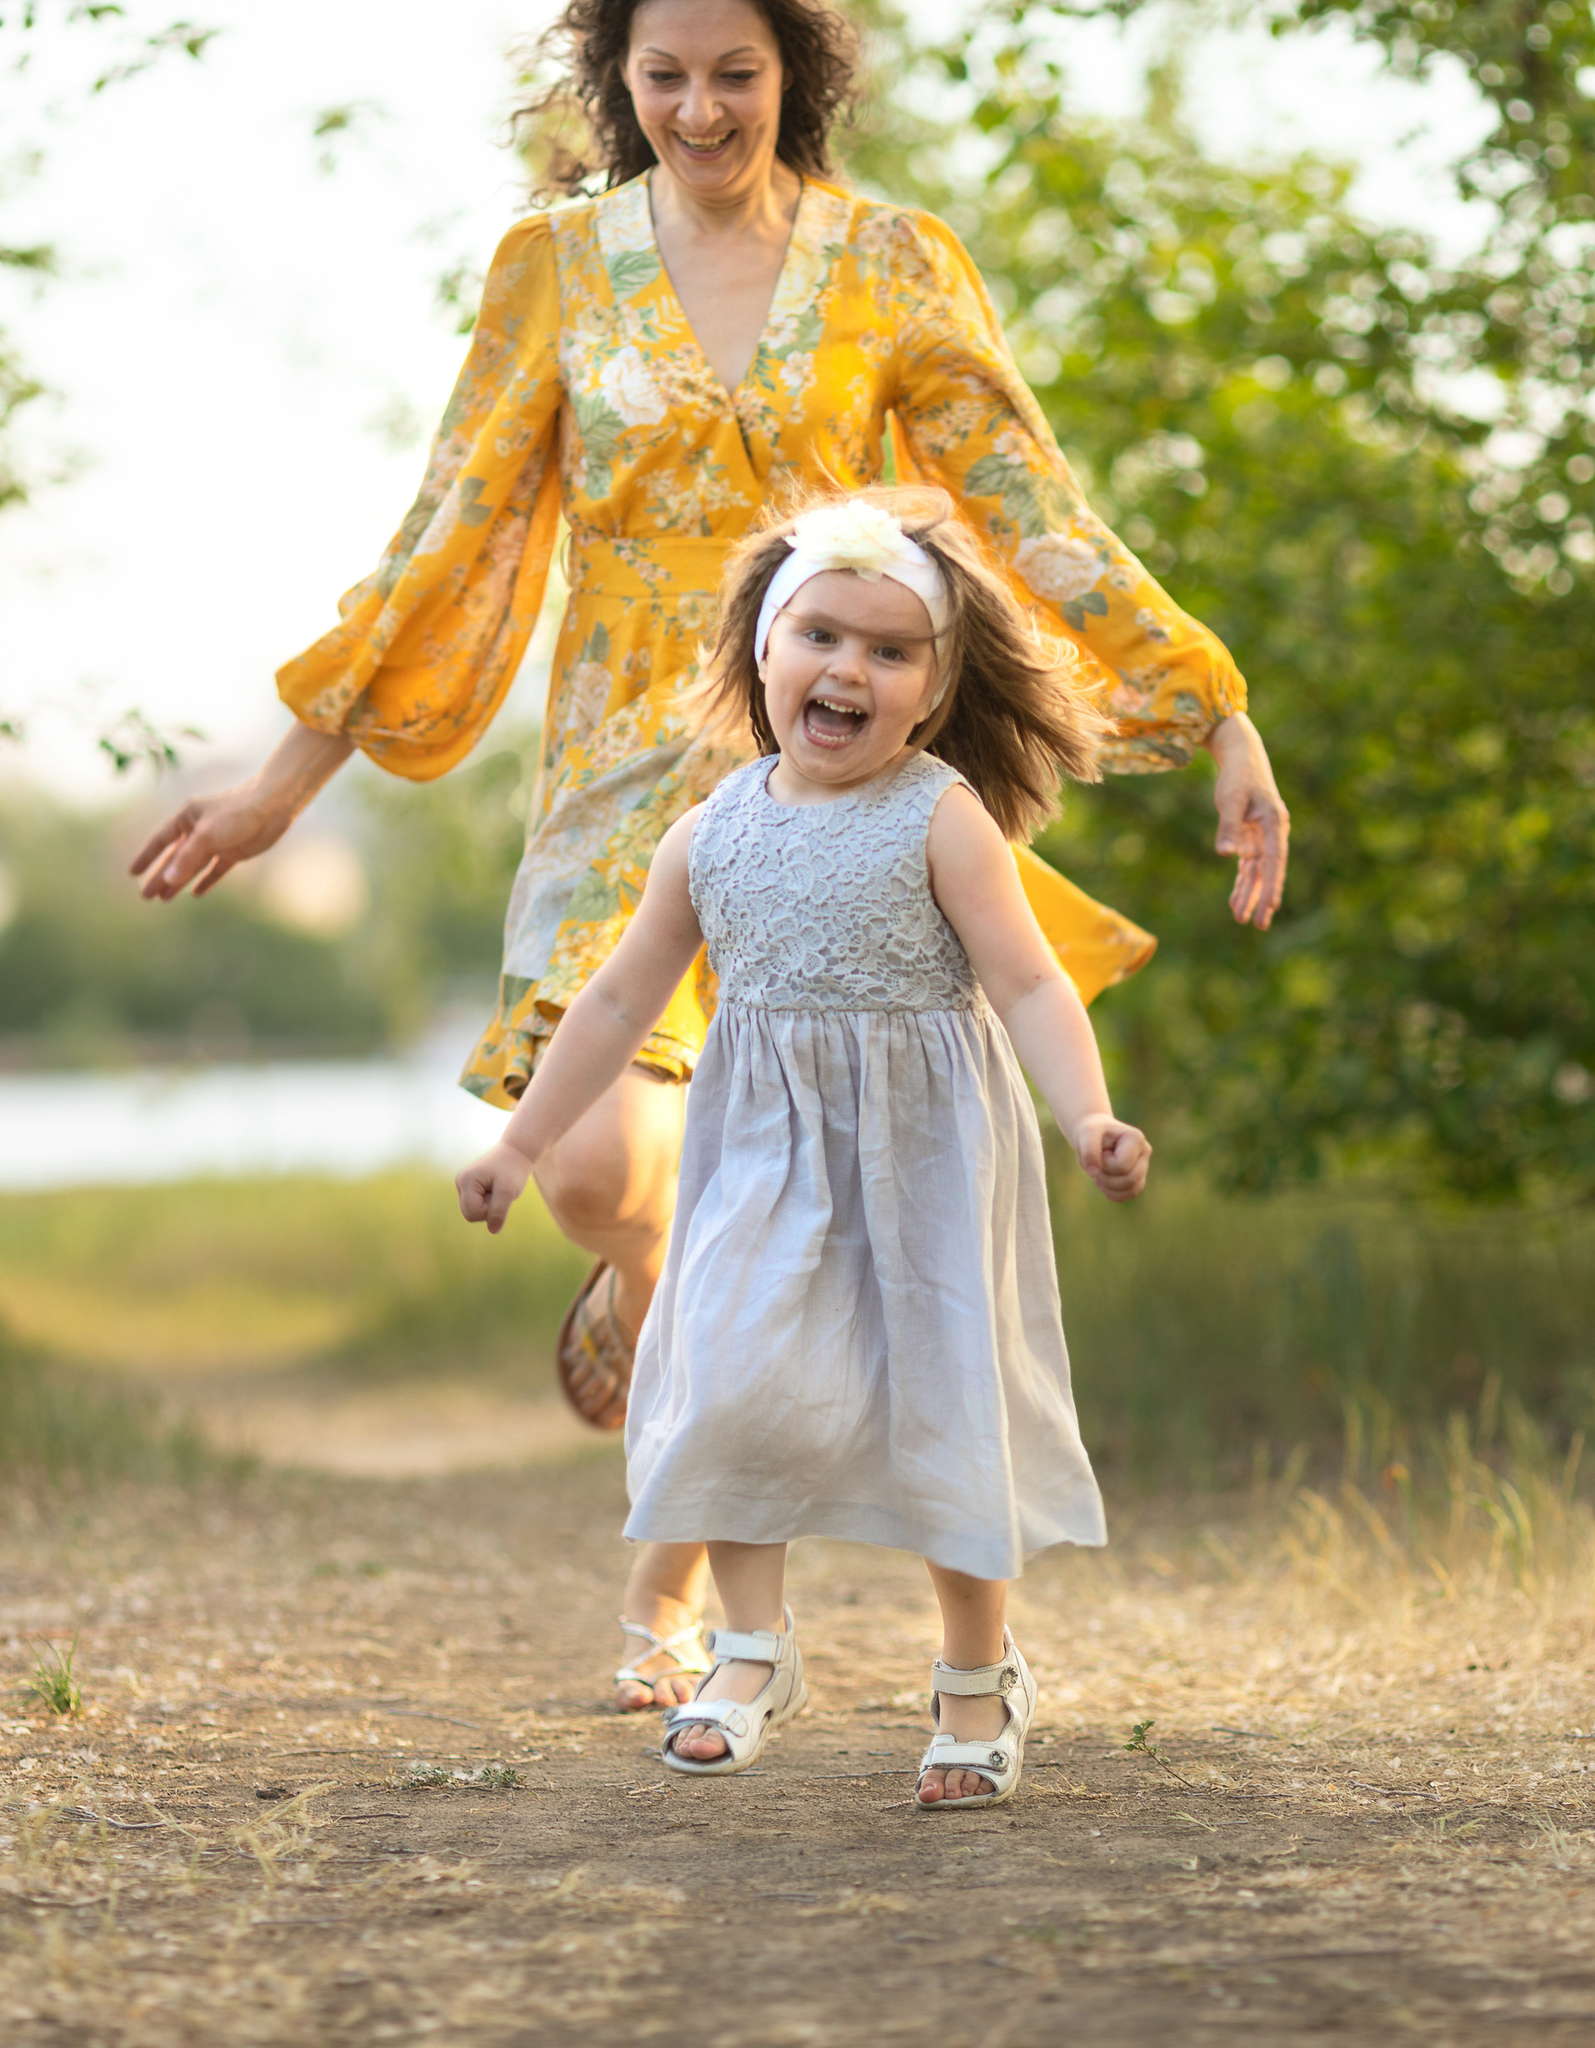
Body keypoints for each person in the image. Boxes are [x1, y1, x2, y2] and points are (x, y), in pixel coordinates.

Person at [130, 0, 1289, 1717]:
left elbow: (1030, 503)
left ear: (795, 74)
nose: (697, 109)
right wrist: (289, 780)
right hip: (626, 782)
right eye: (661, 76)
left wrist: (1214, 712)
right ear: (618, 81)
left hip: (843, 781)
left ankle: (672, 1598)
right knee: (604, 1175)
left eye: (733, 73)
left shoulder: (895, 264)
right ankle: (657, 1280)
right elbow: (451, 530)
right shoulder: (554, 266)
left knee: (760, 1173)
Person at [458, 488, 1145, 1808]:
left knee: (946, 1397)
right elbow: (613, 1002)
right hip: (761, 1150)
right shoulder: (709, 832)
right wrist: (523, 1139)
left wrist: (1087, 1115)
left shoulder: (942, 816)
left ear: (936, 694)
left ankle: (975, 1675)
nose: (850, 670)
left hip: (927, 1153)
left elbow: (1033, 985)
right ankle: (751, 1653)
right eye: (822, 636)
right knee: (725, 1374)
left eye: (891, 653)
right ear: (764, 653)